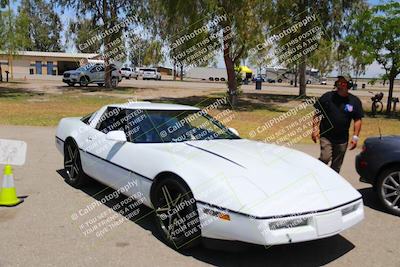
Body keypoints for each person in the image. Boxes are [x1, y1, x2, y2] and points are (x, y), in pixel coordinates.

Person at [312, 76, 364, 173]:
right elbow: (317, 113)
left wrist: (355, 137)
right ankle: (316, 173)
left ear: (349, 85)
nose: (340, 84)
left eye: (343, 82)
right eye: (339, 82)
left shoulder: (354, 101)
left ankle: (330, 184)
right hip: (326, 135)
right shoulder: (327, 97)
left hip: (342, 139)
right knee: (325, 158)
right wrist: (315, 129)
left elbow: (357, 120)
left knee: (336, 166)